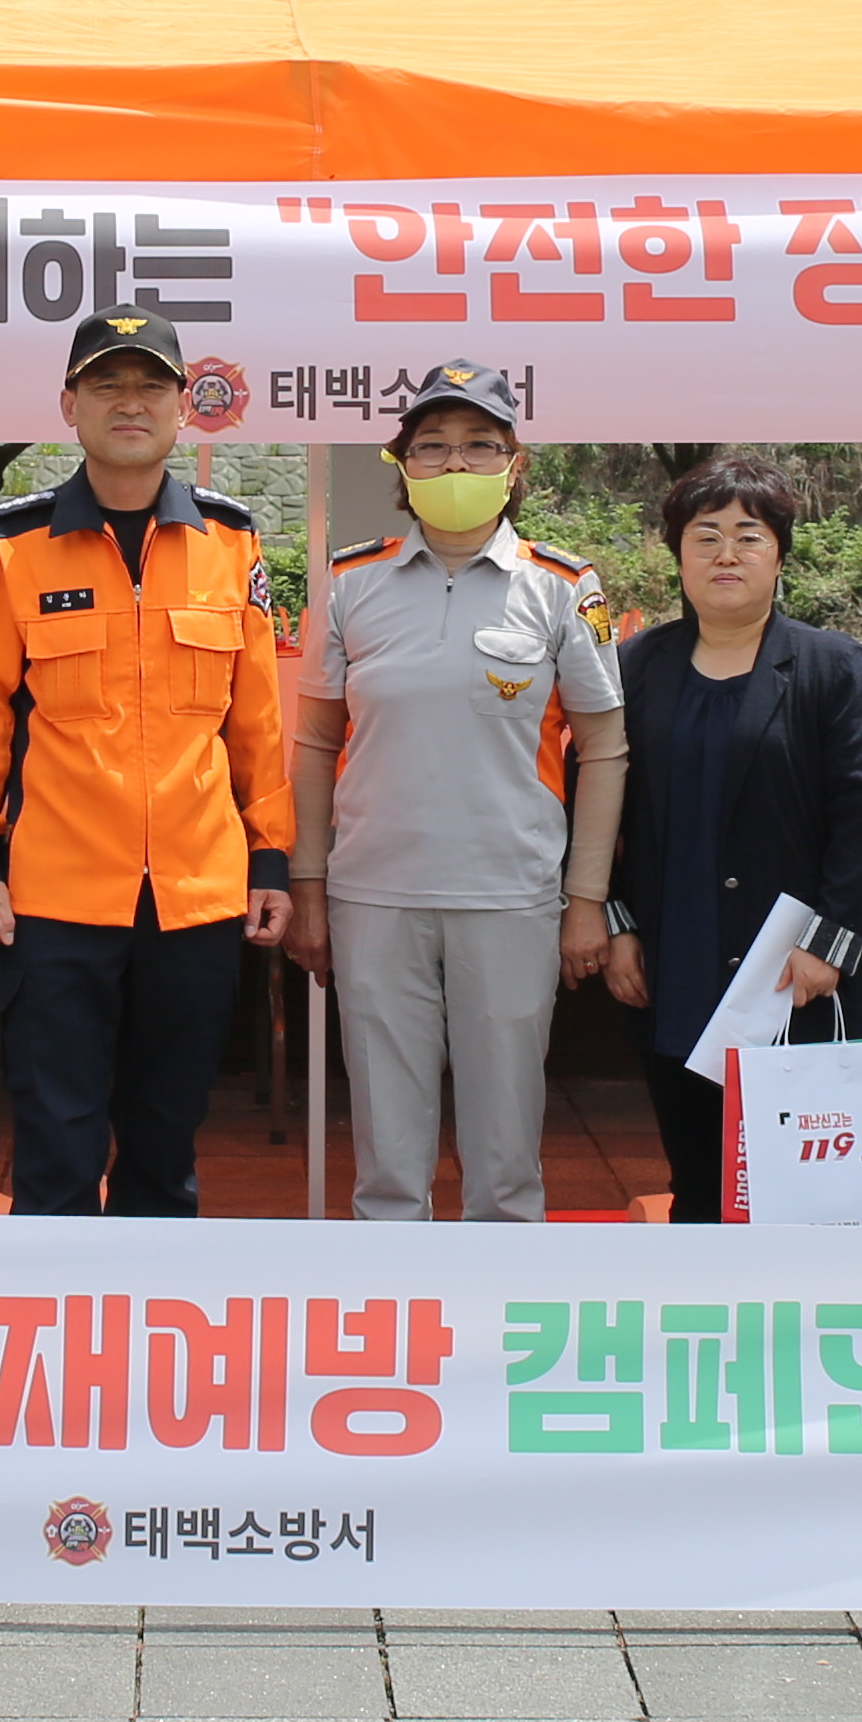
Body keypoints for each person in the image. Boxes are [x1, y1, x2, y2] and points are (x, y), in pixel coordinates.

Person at [0, 307, 296, 1215]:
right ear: (70, 405)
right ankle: (53, 1303)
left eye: (150, 386)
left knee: (166, 1144)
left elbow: (256, 719)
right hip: (55, 899)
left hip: (197, 897)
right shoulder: (9, 543)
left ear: (184, 408)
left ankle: (149, 1305)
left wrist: (270, 857)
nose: (129, 403)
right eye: (106, 385)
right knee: (55, 1145)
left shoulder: (231, 541)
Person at [290, 368, 626, 1224]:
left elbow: (605, 749)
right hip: (374, 893)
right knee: (387, 1161)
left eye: (480, 446)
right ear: (401, 464)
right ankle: (392, 1300)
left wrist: (586, 898)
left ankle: (499, 1304)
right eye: (432, 447)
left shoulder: (561, 585)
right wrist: (309, 885)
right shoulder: (351, 580)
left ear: (515, 465)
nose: (455, 464)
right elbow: (317, 741)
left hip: (510, 895)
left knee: (506, 1161)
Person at [597, 455, 862, 1226]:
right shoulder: (635, 668)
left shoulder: (831, 667)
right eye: (706, 537)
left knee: (805, 1191)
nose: (726, 554)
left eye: (748, 536)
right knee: (697, 1181)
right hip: (675, 958)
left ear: (780, 555)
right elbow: (597, 809)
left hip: (793, 968)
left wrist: (828, 943)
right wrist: (617, 927)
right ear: (678, 555)